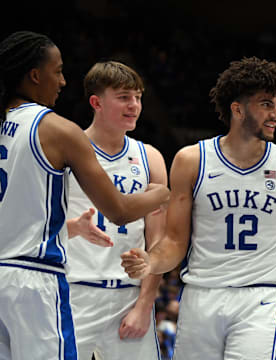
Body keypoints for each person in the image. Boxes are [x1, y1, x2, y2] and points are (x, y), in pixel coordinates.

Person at [121, 56, 276, 360]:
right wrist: (150, 263)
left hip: (258, 298)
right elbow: (174, 241)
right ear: (237, 109)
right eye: (265, 104)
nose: (274, 114)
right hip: (200, 295)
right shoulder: (191, 161)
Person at [0, 31, 169, 360]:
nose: (63, 81)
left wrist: (70, 228)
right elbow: (119, 210)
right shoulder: (58, 131)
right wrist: (161, 194)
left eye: (138, 97)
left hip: (11, 270)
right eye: (58, 70)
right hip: (42, 279)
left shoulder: (7, 125)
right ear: (35, 75)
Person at [65, 61, 167, 359]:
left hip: (128, 296)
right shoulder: (65, 152)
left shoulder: (150, 157)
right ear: (96, 102)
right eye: (123, 97)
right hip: (74, 291)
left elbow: (157, 241)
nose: (134, 105)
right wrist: (74, 227)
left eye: (137, 97)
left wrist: (145, 305)